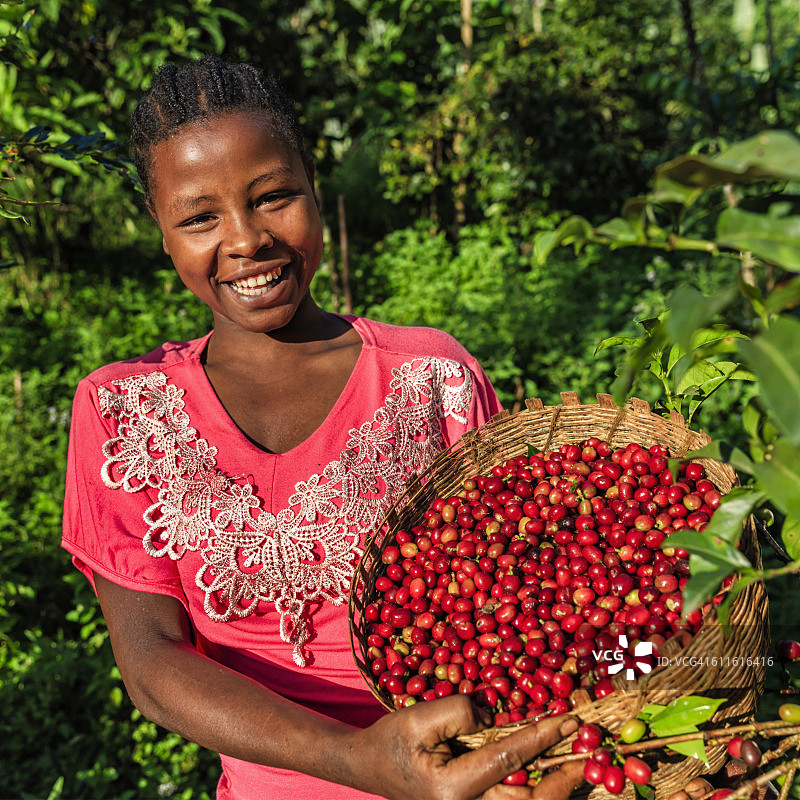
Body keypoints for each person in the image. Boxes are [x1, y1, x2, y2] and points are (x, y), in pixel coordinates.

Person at [61, 56, 586, 800]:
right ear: (162, 230)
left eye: (274, 197)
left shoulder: (429, 377)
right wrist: (358, 760)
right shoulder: (124, 413)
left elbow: (530, 595)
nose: (246, 240)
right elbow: (152, 662)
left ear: (314, 186)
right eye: (200, 217)